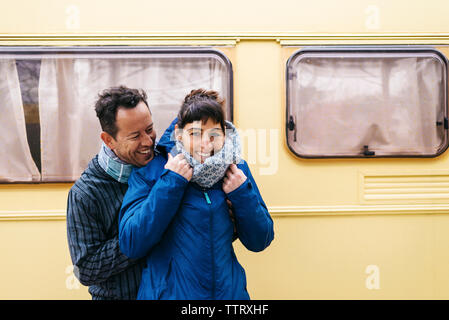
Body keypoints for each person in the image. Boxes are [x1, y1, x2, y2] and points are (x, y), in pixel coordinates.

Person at [119, 89, 274, 300]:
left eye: (214, 134)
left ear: (224, 134)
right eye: (195, 134)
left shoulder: (236, 169)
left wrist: (241, 194)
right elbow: (131, 243)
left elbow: (260, 240)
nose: (205, 144)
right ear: (179, 133)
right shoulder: (154, 170)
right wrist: (171, 182)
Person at [66, 86, 175, 300]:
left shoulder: (168, 166)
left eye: (150, 128)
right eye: (135, 136)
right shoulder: (84, 194)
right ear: (108, 140)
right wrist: (142, 233)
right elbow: (86, 269)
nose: (148, 141)